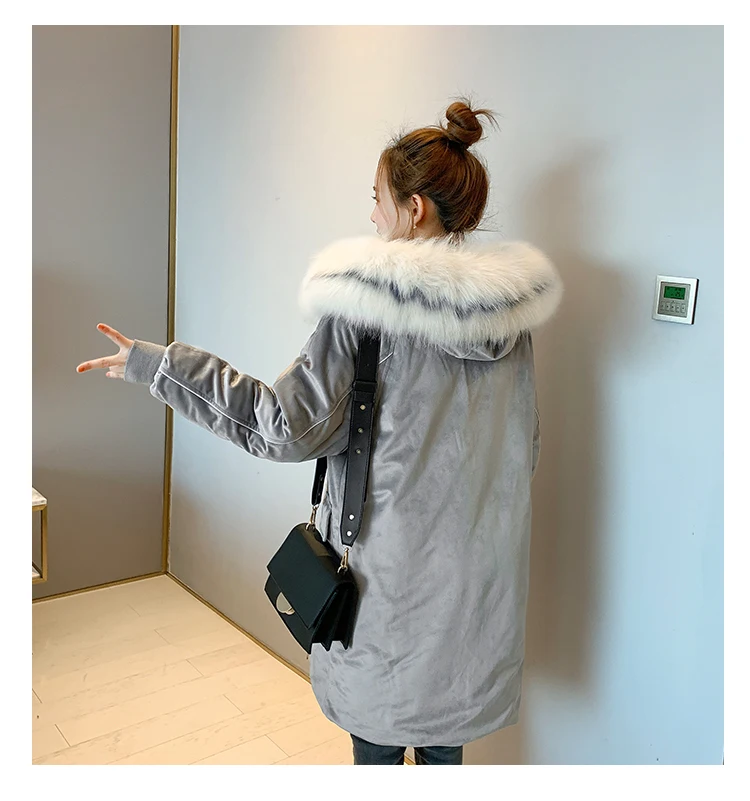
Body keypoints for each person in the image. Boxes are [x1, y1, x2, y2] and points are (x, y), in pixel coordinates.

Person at [76, 99, 562, 765]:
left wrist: (160, 366)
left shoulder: (366, 309)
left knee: (378, 752)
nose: (372, 216)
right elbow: (522, 450)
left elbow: (283, 428)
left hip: (387, 598)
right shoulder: (510, 320)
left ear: (413, 209)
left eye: (377, 199)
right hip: (476, 598)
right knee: (445, 749)